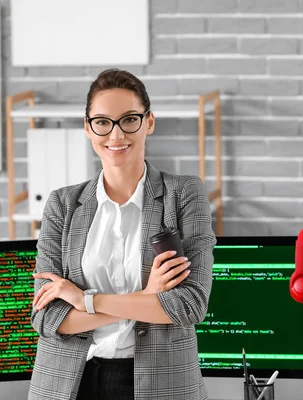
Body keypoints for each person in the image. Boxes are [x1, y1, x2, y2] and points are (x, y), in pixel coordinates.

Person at [29, 68, 216, 400]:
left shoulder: (184, 194)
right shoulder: (62, 204)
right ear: (88, 128)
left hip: (161, 384)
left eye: (129, 119)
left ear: (149, 122)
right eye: (102, 122)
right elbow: (47, 318)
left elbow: (189, 306)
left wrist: (85, 300)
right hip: (70, 383)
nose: (115, 136)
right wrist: (147, 297)